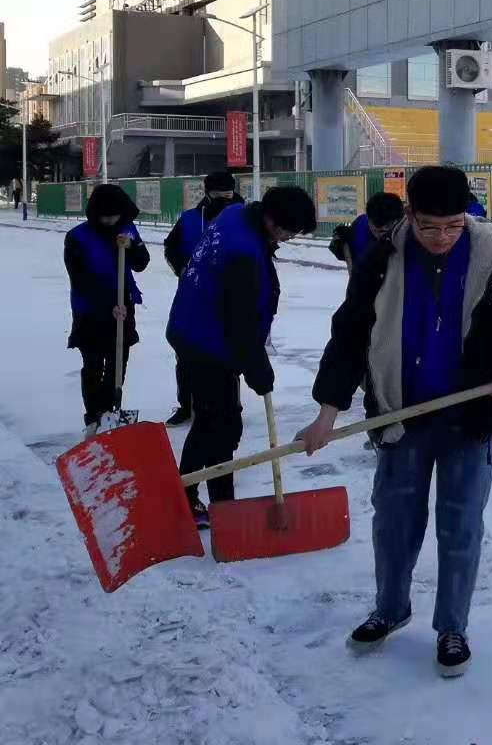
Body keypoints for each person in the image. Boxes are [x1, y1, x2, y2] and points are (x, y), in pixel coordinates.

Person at [296, 166, 492, 676]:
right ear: (410, 215)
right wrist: (327, 412)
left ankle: (452, 626)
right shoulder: (383, 259)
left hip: (470, 415)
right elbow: (349, 334)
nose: (442, 237)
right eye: (430, 226)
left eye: (453, 225)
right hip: (402, 413)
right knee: (394, 522)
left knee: (460, 525)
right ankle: (390, 608)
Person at [167, 185, 316, 525]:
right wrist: (257, 369)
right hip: (206, 342)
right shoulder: (243, 254)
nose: (289, 239)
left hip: (193, 329)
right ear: (273, 222)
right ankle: (219, 508)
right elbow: (241, 324)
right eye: (290, 233)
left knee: (213, 422)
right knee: (219, 428)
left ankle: (189, 497)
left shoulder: (236, 214)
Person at [65, 184, 150, 436]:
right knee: (93, 365)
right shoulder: (77, 237)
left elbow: (141, 263)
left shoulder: (127, 229)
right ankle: (94, 416)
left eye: (116, 216)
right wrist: (108, 304)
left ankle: (109, 412)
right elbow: (80, 279)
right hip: (90, 310)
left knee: (117, 363)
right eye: (106, 217)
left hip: (123, 305)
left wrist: (132, 247)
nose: (111, 221)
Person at [161, 172, 246, 425]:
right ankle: (186, 405)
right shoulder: (190, 219)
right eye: (217, 195)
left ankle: (231, 403)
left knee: (227, 353)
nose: (223, 200)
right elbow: (171, 247)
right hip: (193, 298)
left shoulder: (245, 218)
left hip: (229, 299)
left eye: (227, 195)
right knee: (187, 351)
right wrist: (182, 268)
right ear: (207, 193)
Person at [329, 192, 404, 273]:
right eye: (376, 229)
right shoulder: (359, 228)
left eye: (387, 227)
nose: (380, 234)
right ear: (368, 219)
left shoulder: (407, 233)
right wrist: (340, 244)